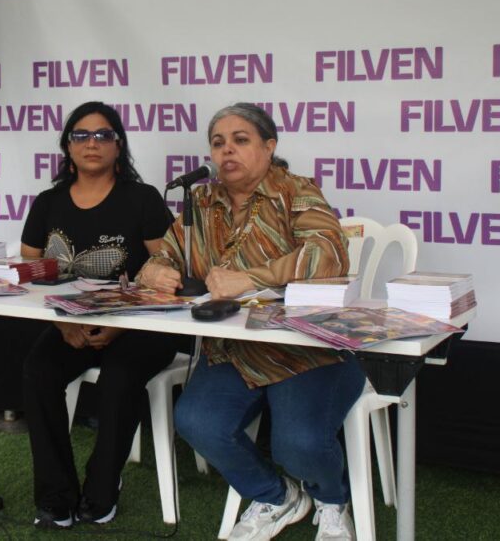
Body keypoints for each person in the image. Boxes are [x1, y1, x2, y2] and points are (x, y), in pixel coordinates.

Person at [138, 103, 361, 541]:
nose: (227, 151)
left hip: (303, 348)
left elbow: (329, 255)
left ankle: (332, 499)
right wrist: (155, 272)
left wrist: (252, 279)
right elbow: (162, 256)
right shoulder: (201, 202)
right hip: (234, 349)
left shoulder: (296, 191)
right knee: (197, 421)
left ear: (269, 146)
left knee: (297, 444)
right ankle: (276, 496)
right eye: (218, 143)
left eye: (240, 140)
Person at [20, 101, 180, 529]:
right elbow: (32, 272)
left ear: (118, 145)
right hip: (72, 323)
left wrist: (118, 324)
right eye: (81, 135)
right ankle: (55, 495)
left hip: (142, 325)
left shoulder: (142, 199)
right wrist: (61, 322)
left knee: (120, 378)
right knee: (38, 371)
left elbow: (168, 271)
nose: (92, 143)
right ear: (68, 146)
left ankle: (103, 486)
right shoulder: (48, 203)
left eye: (103, 135)